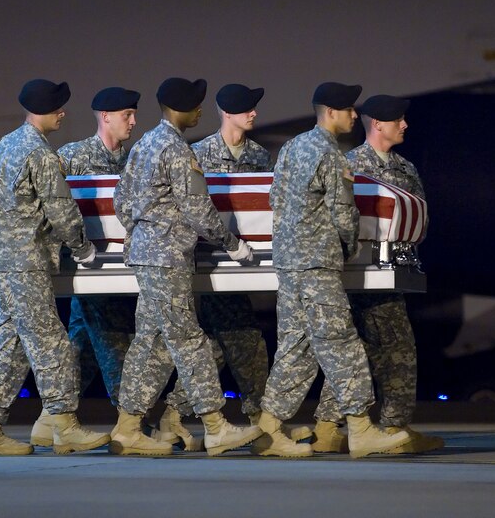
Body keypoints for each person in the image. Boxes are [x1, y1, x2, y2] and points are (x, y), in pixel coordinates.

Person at [252, 82, 412, 459]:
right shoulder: (330, 153)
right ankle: (360, 429)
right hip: (317, 263)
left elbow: (275, 198)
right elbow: (344, 214)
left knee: (297, 347)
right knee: (341, 341)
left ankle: (268, 429)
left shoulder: (291, 147)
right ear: (331, 112)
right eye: (350, 110)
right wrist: (349, 247)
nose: (355, 116)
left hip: (289, 263)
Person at [110, 77, 262, 456]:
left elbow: (120, 201)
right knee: (189, 340)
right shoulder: (177, 149)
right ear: (183, 108)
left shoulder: (145, 143)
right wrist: (233, 245)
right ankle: (215, 426)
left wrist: (144, 231)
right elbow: (198, 210)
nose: (200, 110)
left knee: (152, 343)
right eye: (196, 104)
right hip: (167, 258)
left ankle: (126, 428)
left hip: (147, 256)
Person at [0, 79, 111, 456]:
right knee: (52, 343)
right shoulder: (40, 153)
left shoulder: (6, 145)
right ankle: (64, 426)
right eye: (59, 107)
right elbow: (61, 209)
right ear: (46, 110)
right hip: (26, 261)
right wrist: (81, 247)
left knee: (9, 344)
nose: (64, 113)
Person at [305, 94, 443, 454]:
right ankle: (330, 427)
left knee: (393, 349)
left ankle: (389, 424)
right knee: (356, 353)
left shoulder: (406, 169)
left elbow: (419, 222)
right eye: (398, 119)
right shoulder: (349, 165)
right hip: (352, 276)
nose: (405, 125)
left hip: (389, 275)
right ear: (377, 124)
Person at [154, 84, 271, 450]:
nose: (253, 113)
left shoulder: (259, 156)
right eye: (246, 107)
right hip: (206, 263)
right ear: (227, 111)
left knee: (230, 342)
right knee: (238, 339)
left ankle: (175, 416)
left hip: (243, 262)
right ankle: (259, 422)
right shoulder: (197, 153)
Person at [28, 86, 140, 447]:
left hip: (120, 267)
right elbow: (51, 208)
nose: (134, 122)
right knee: (113, 337)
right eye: (127, 115)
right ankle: (129, 421)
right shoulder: (72, 156)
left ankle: (49, 422)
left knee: (81, 348)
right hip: (88, 266)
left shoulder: (133, 160)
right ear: (105, 117)